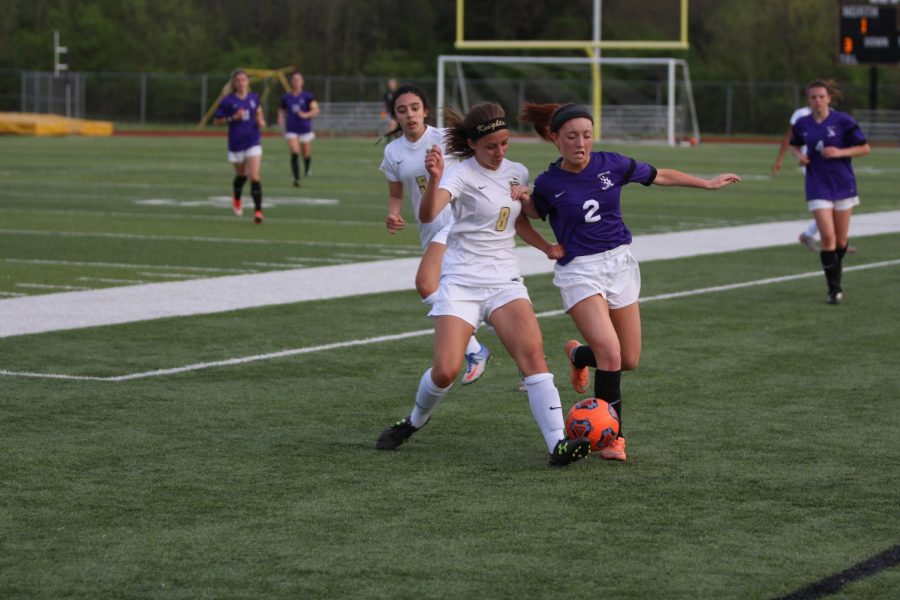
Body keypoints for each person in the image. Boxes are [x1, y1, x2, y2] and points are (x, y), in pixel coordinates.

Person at [518, 102, 741, 461]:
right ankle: (611, 437)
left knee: (629, 358)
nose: (581, 143)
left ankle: (578, 354)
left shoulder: (612, 163)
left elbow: (661, 175)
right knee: (610, 353)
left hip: (620, 264)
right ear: (555, 138)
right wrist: (526, 201)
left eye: (587, 135)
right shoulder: (549, 183)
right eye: (572, 136)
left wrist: (707, 183)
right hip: (580, 271)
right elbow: (531, 213)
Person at [376, 101, 591, 467]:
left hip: (504, 280)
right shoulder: (459, 173)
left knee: (533, 358)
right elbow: (428, 214)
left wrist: (545, 247)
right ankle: (414, 420)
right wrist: (435, 179)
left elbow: (518, 221)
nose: (499, 152)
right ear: (473, 145)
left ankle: (558, 444)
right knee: (446, 370)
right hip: (461, 280)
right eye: (492, 146)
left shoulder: (516, 172)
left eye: (505, 143)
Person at [379, 84, 490, 385]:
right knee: (489, 299)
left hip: (457, 223)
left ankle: (474, 349)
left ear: (425, 110)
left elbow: (482, 155)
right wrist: (393, 214)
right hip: (430, 231)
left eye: (415, 108)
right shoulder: (393, 152)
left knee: (426, 283)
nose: (410, 114)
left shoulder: (443, 138)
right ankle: (528, 366)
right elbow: (395, 195)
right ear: (395, 116)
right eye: (402, 110)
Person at [789, 79, 870, 305]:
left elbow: (865, 148)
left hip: (843, 184)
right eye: (813, 97)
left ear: (829, 98)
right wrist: (800, 157)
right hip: (817, 184)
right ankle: (834, 289)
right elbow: (794, 144)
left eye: (821, 97)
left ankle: (836, 268)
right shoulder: (803, 123)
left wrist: (840, 152)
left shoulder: (843, 121)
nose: (817, 101)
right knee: (827, 237)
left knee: (841, 240)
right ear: (808, 100)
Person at [214, 69, 266, 224]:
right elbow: (217, 121)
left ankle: (258, 211)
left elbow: (258, 112)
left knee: (254, 176)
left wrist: (261, 121)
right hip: (236, 143)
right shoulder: (228, 101)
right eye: (238, 80)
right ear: (234, 83)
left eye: (244, 80)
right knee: (241, 176)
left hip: (253, 140)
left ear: (247, 82)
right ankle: (236, 197)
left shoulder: (254, 97)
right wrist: (233, 117)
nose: (241, 83)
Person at [278, 71, 319, 186]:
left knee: (306, 153)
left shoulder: (308, 96)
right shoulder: (286, 97)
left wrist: (306, 115)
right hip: (291, 128)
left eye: (298, 80)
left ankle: (307, 169)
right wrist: (280, 117)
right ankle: (296, 178)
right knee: (295, 152)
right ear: (291, 82)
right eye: (294, 80)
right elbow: (281, 109)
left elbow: (316, 110)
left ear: (302, 82)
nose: (296, 82)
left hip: (305, 128)